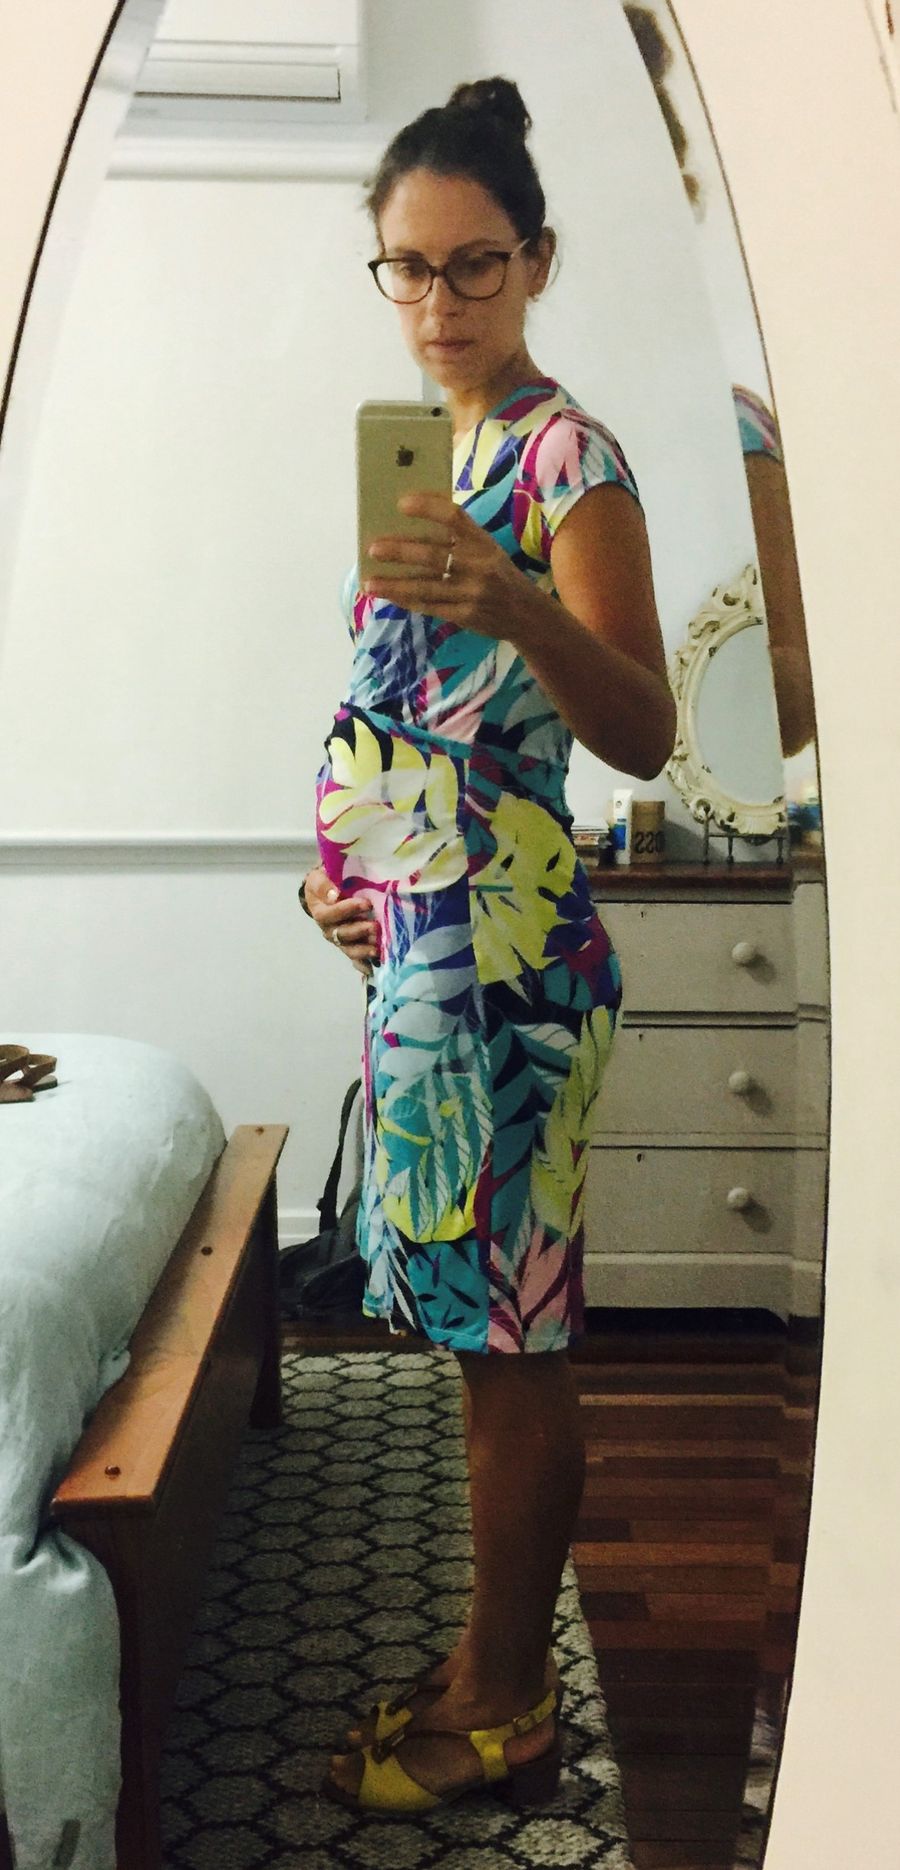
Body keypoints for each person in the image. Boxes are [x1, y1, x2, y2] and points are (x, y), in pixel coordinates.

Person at [300, 75, 676, 1815]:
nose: (440, 303)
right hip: (428, 958)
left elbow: (642, 728)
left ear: (537, 260)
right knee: (476, 1338)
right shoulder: (427, 451)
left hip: (512, 981)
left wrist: (512, 594)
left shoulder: (565, 458)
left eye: (475, 265)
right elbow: (415, 722)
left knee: (516, 1349)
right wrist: (350, 881)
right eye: (410, 268)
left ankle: (511, 1706)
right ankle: (485, 1661)